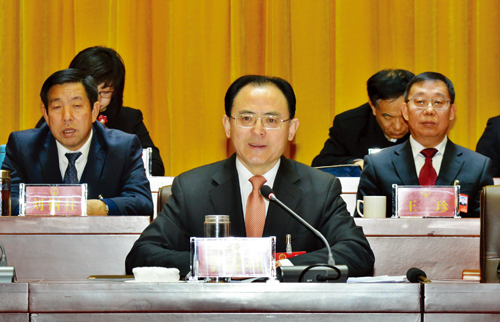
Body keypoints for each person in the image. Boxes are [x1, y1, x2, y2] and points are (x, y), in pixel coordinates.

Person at [126, 75, 374, 277]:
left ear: (291, 129)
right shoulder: (192, 188)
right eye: (246, 118)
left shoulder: (320, 188)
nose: (258, 130)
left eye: (271, 120)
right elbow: (142, 254)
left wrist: (278, 266)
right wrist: (223, 264)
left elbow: (357, 252)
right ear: (227, 125)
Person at [3, 69, 154, 216]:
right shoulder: (23, 146)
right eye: (57, 107)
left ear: (94, 111)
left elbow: (142, 202)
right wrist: (58, 207)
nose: (67, 117)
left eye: (76, 106)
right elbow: (6, 201)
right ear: (46, 115)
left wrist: (100, 207)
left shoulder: (122, 147)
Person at [357, 71, 493, 218]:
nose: (429, 110)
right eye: (420, 102)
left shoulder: (477, 167)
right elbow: (363, 225)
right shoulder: (378, 165)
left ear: (452, 112)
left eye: (438, 102)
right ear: (405, 111)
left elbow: (487, 226)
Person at [36, 46, 165, 176]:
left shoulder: (129, 119)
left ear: (115, 92)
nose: (95, 99)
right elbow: (34, 162)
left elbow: (155, 167)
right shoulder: (58, 117)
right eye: (89, 91)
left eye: (104, 93)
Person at [311, 69, 414, 168]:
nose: (397, 127)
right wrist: (355, 163)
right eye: (388, 117)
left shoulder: (423, 123)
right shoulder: (349, 124)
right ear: (373, 107)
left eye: (405, 116)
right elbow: (321, 163)